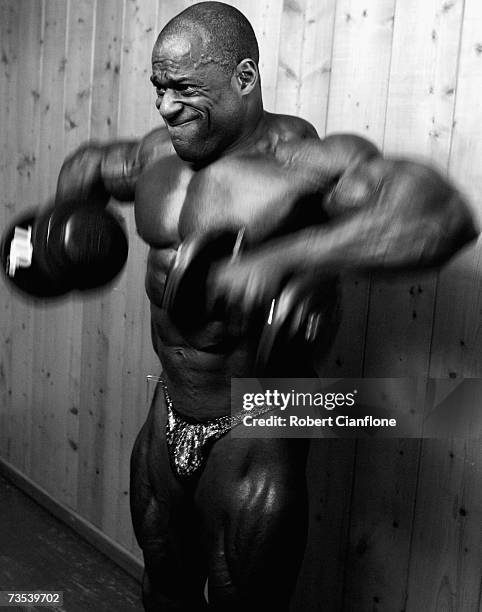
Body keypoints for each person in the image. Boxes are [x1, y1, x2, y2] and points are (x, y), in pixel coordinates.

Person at [4, 2, 477, 611]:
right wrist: (64, 229)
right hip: (170, 405)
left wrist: (288, 258)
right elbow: (89, 165)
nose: (166, 106)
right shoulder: (156, 156)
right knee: (163, 588)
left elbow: (441, 215)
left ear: (245, 78)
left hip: (260, 421)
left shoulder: (300, 162)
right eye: (159, 88)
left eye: (185, 89)